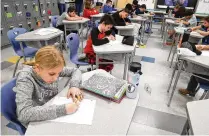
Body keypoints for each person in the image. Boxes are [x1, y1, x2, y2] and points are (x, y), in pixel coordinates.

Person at [13, 46, 83, 126]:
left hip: (51, 111)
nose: (56, 77)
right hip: (35, 122)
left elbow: (76, 70)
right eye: (52, 74)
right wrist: (63, 110)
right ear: (37, 68)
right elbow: (23, 114)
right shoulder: (25, 78)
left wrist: (74, 86)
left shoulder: (53, 69)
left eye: (59, 73)